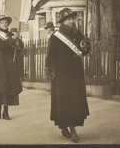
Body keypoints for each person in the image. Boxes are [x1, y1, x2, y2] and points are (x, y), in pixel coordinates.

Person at [45, 8, 90, 143]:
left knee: (75, 99)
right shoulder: (55, 36)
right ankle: (72, 130)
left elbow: (84, 51)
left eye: (73, 19)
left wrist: (86, 45)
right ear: (63, 21)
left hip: (75, 72)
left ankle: (65, 126)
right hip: (62, 73)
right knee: (66, 100)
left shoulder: (78, 33)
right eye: (69, 19)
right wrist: (50, 71)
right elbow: (50, 55)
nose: (72, 21)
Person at [0, 15, 22, 120]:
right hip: (1, 65)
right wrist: (12, 39)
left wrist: (19, 42)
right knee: (1, 87)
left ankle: (6, 112)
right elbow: (0, 47)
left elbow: (19, 48)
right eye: (2, 22)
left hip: (11, 64)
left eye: (6, 22)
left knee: (9, 88)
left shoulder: (12, 34)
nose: (5, 24)